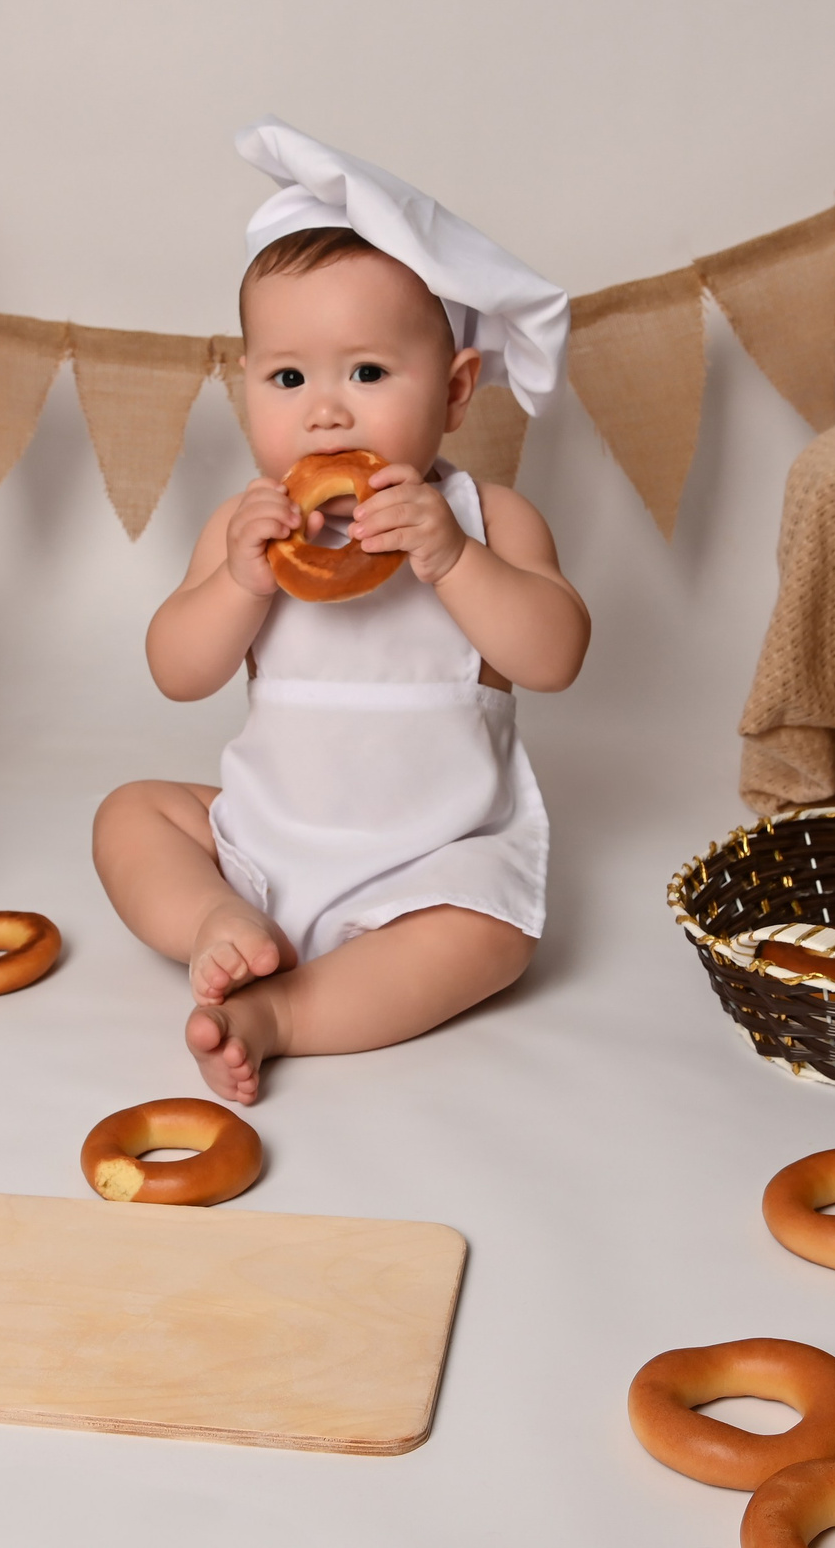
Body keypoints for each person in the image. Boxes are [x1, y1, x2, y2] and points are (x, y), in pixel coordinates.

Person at [92, 120, 588, 1103]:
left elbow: (556, 652)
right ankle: (218, 923)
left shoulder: (487, 518)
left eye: (366, 371)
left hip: (430, 858)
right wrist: (237, 581)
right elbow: (177, 670)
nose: (325, 410)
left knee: (496, 932)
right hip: (268, 844)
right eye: (288, 376)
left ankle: (285, 1012)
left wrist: (453, 560)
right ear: (245, 390)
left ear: (452, 392)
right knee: (129, 814)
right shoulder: (248, 525)